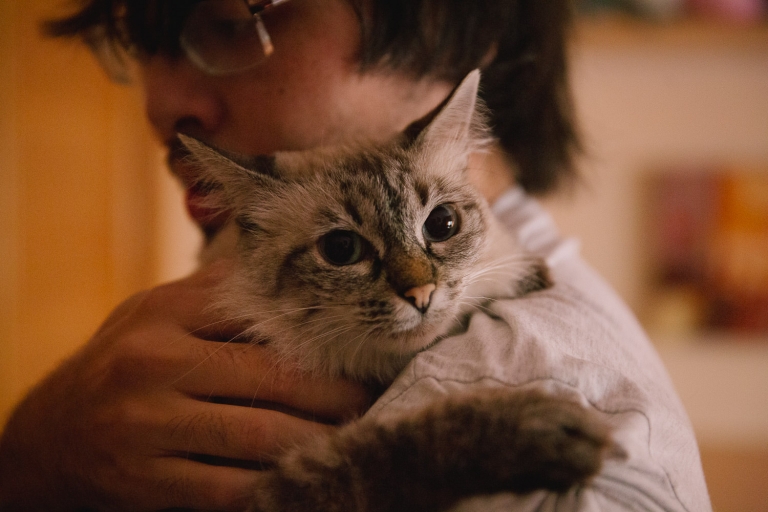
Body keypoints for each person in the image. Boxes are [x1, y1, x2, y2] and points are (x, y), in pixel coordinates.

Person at [0, 1, 711, 510]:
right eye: (137, 41)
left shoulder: (536, 399)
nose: (161, 105)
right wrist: (39, 457)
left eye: (234, 18)